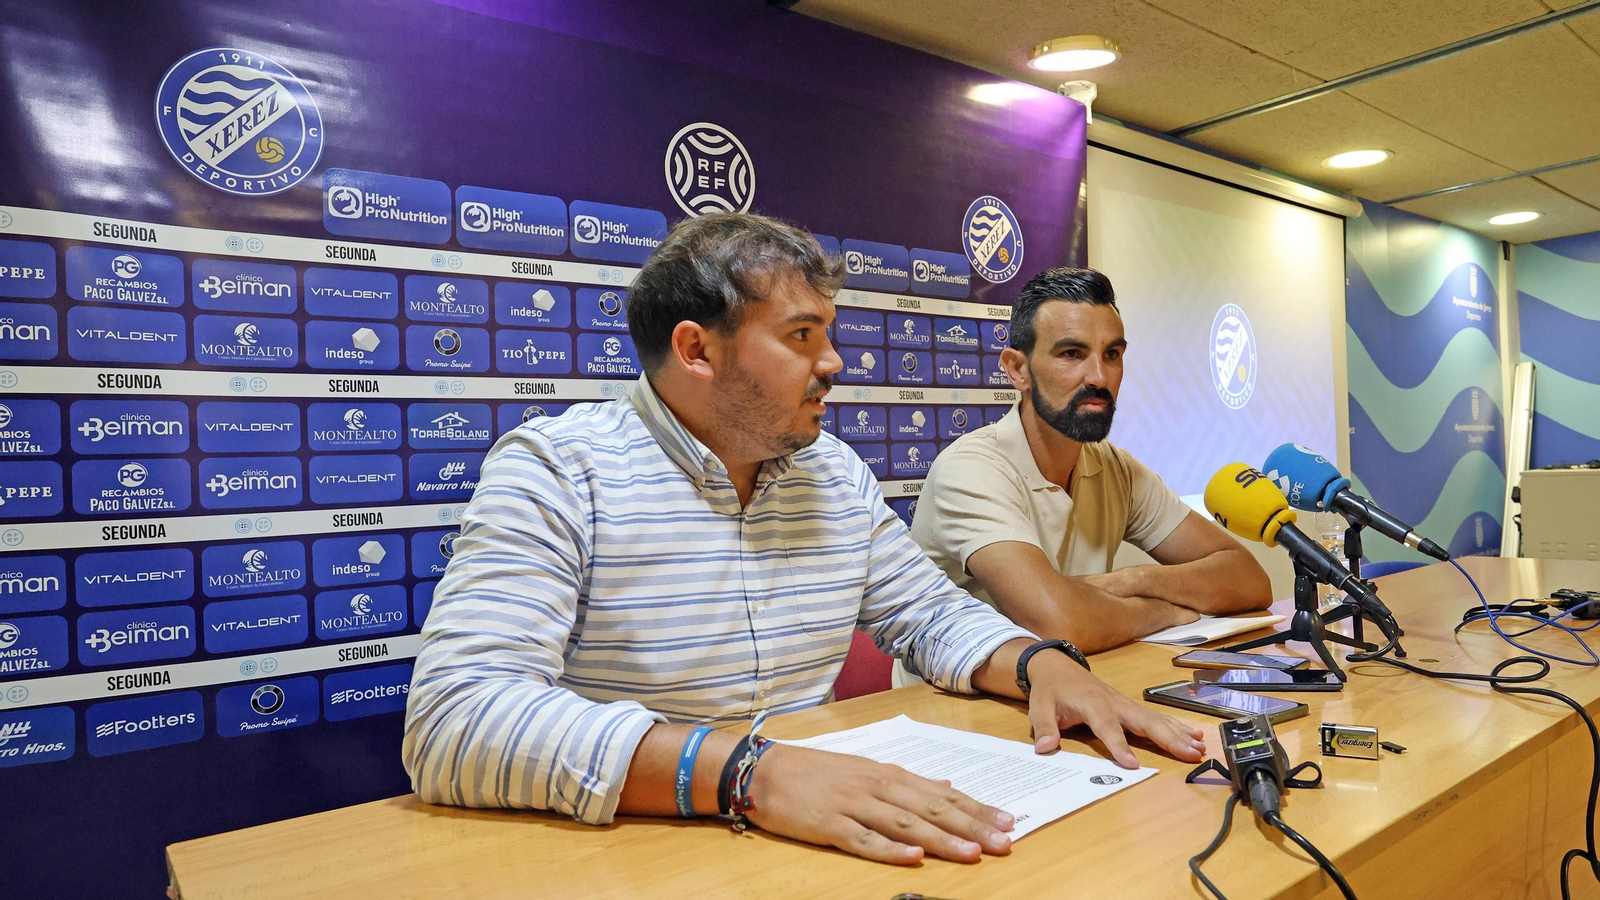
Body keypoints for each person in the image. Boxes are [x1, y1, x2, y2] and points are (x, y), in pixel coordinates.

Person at [403, 214, 1204, 866]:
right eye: (800, 337)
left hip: (818, 841)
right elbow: (455, 721)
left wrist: (1040, 664)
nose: (834, 361)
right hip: (632, 855)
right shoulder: (559, 470)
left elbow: (931, 616)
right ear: (696, 351)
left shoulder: (831, 472)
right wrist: (750, 774)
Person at [909, 267, 1273, 654]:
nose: (1099, 376)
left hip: (1078, 684)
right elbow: (1058, 624)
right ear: (1018, 370)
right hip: (953, 704)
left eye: (1112, 354)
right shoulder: (971, 469)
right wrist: (1161, 613)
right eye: (1072, 354)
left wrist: (1131, 582)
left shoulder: (1117, 468)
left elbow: (1249, 581)